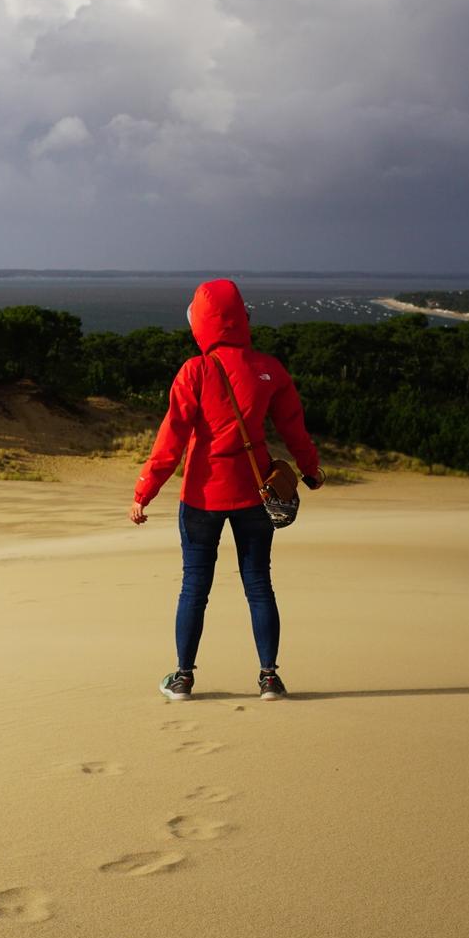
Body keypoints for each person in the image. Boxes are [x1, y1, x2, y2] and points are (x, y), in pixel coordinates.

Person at [128, 278, 323, 701]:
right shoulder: (268, 368)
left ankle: (182, 678)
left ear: (200, 323)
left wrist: (145, 491)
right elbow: (294, 429)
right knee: (259, 584)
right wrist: (311, 469)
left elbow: (171, 440)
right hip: (255, 494)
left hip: (201, 497)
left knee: (194, 587)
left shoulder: (194, 371)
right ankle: (269, 677)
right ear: (242, 320)